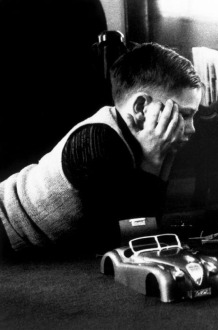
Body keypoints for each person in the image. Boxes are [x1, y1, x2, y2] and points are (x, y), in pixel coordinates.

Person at [0, 43, 203, 255]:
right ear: (141, 107)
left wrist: (164, 155)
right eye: (184, 114)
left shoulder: (135, 136)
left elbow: (151, 219)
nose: (192, 128)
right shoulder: (97, 145)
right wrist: (153, 159)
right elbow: (132, 236)